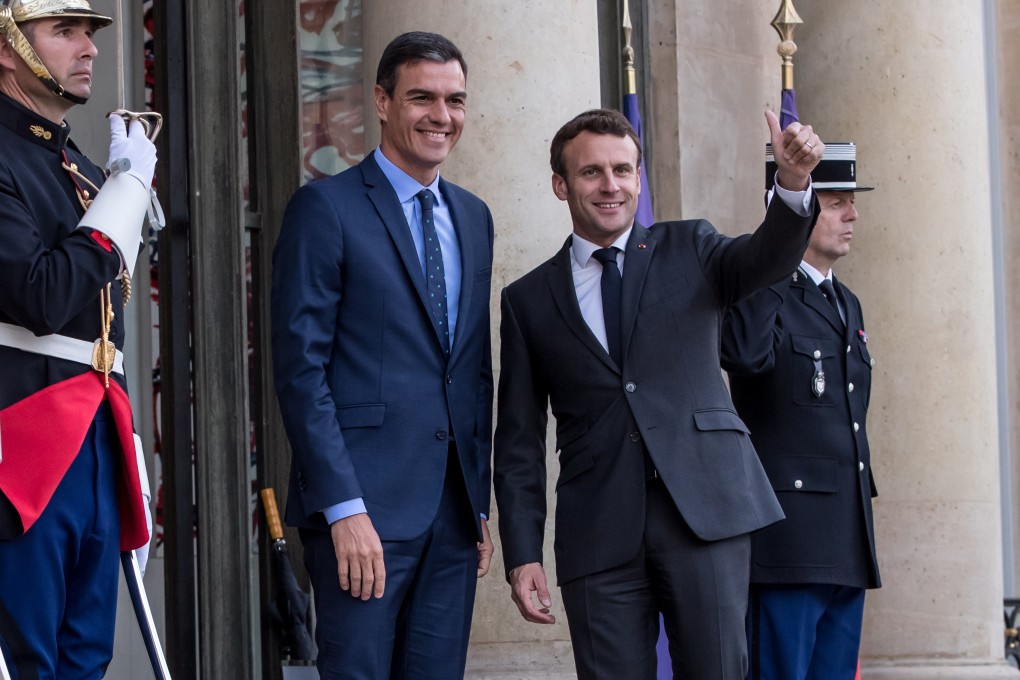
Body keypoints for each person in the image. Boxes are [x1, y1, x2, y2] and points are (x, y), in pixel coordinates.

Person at [492, 107, 822, 679]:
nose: (610, 184)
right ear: (560, 184)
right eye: (592, 172)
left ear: (639, 179)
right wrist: (522, 554)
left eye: (623, 169)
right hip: (597, 531)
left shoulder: (690, 246)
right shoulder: (528, 299)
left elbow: (764, 259)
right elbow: (519, 440)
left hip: (705, 513)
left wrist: (791, 185)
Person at [271, 31, 495, 680]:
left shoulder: (474, 216)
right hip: (362, 513)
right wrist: (343, 509)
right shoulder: (326, 209)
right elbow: (301, 371)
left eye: (455, 100)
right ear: (382, 100)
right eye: (422, 97)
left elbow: (473, 370)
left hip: (452, 517)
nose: (441, 116)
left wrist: (476, 502)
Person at [0, 0, 156, 676]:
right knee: (27, 657)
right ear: (8, 47)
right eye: (64, 32)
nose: (87, 49)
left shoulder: (82, 167)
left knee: (86, 658)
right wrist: (125, 194)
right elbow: (41, 296)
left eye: (88, 33)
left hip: (95, 436)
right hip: (23, 439)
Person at [721, 143, 879, 680]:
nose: (851, 214)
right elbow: (742, 354)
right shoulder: (760, 284)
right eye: (835, 202)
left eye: (849, 202)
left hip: (844, 537)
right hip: (787, 543)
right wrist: (775, 250)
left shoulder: (846, 301)